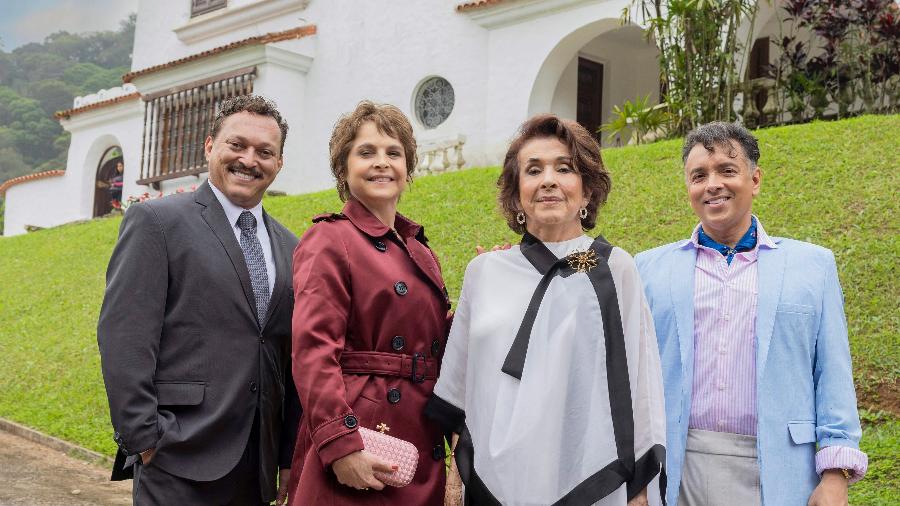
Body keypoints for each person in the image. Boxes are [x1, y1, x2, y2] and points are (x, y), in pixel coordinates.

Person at [426, 114, 666, 506]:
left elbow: (641, 384)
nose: (548, 180)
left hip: (591, 479)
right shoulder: (485, 272)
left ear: (587, 191)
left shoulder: (612, 268)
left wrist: (639, 491)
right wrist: (457, 476)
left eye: (564, 168)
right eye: (533, 170)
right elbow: (460, 387)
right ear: (517, 193)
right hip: (495, 480)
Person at [634, 121, 867, 506]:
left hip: (782, 469)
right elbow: (633, 382)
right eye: (699, 175)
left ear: (754, 179)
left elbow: (833, 374)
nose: (712, 184)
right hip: (678, 468)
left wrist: (835, 476)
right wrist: (637, 482)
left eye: (727, 170)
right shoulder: (648, 269)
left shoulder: (813, 266)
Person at [97, 95, 301, 505]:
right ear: (210, 146)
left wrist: (287, 456)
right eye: (236, 145)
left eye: (265, 152)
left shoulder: (291, 246)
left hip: (256, 466)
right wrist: (146, 438)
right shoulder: (156, 222)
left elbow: (289, 357)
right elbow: (125, 336)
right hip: (177, 457)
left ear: (278, 164)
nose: (249, 159)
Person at [288, 101, 450, 505]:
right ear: (343, 169)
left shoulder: (419, 249)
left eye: (394, 153)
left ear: (408, 168)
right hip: (362, 436)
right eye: (366, 152)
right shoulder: (329, 239)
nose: (382, 163)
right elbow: (313, 351)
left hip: (418, 436)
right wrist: (340, 443)